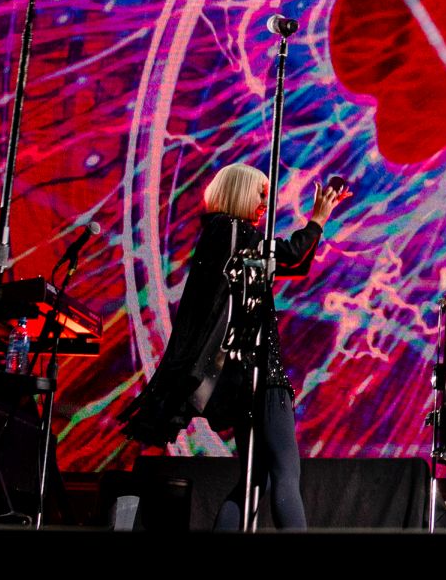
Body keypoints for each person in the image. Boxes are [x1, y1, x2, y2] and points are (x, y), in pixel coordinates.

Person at [120, 163, 348, 529]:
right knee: (285, 471)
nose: (265, 204)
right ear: (239, 192)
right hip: (260, 375)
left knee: (258, 478)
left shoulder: (223, 236)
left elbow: (287, 264)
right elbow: (289, 255)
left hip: (244, 378)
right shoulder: (231, 231)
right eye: (260, 194)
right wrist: (318, 219)